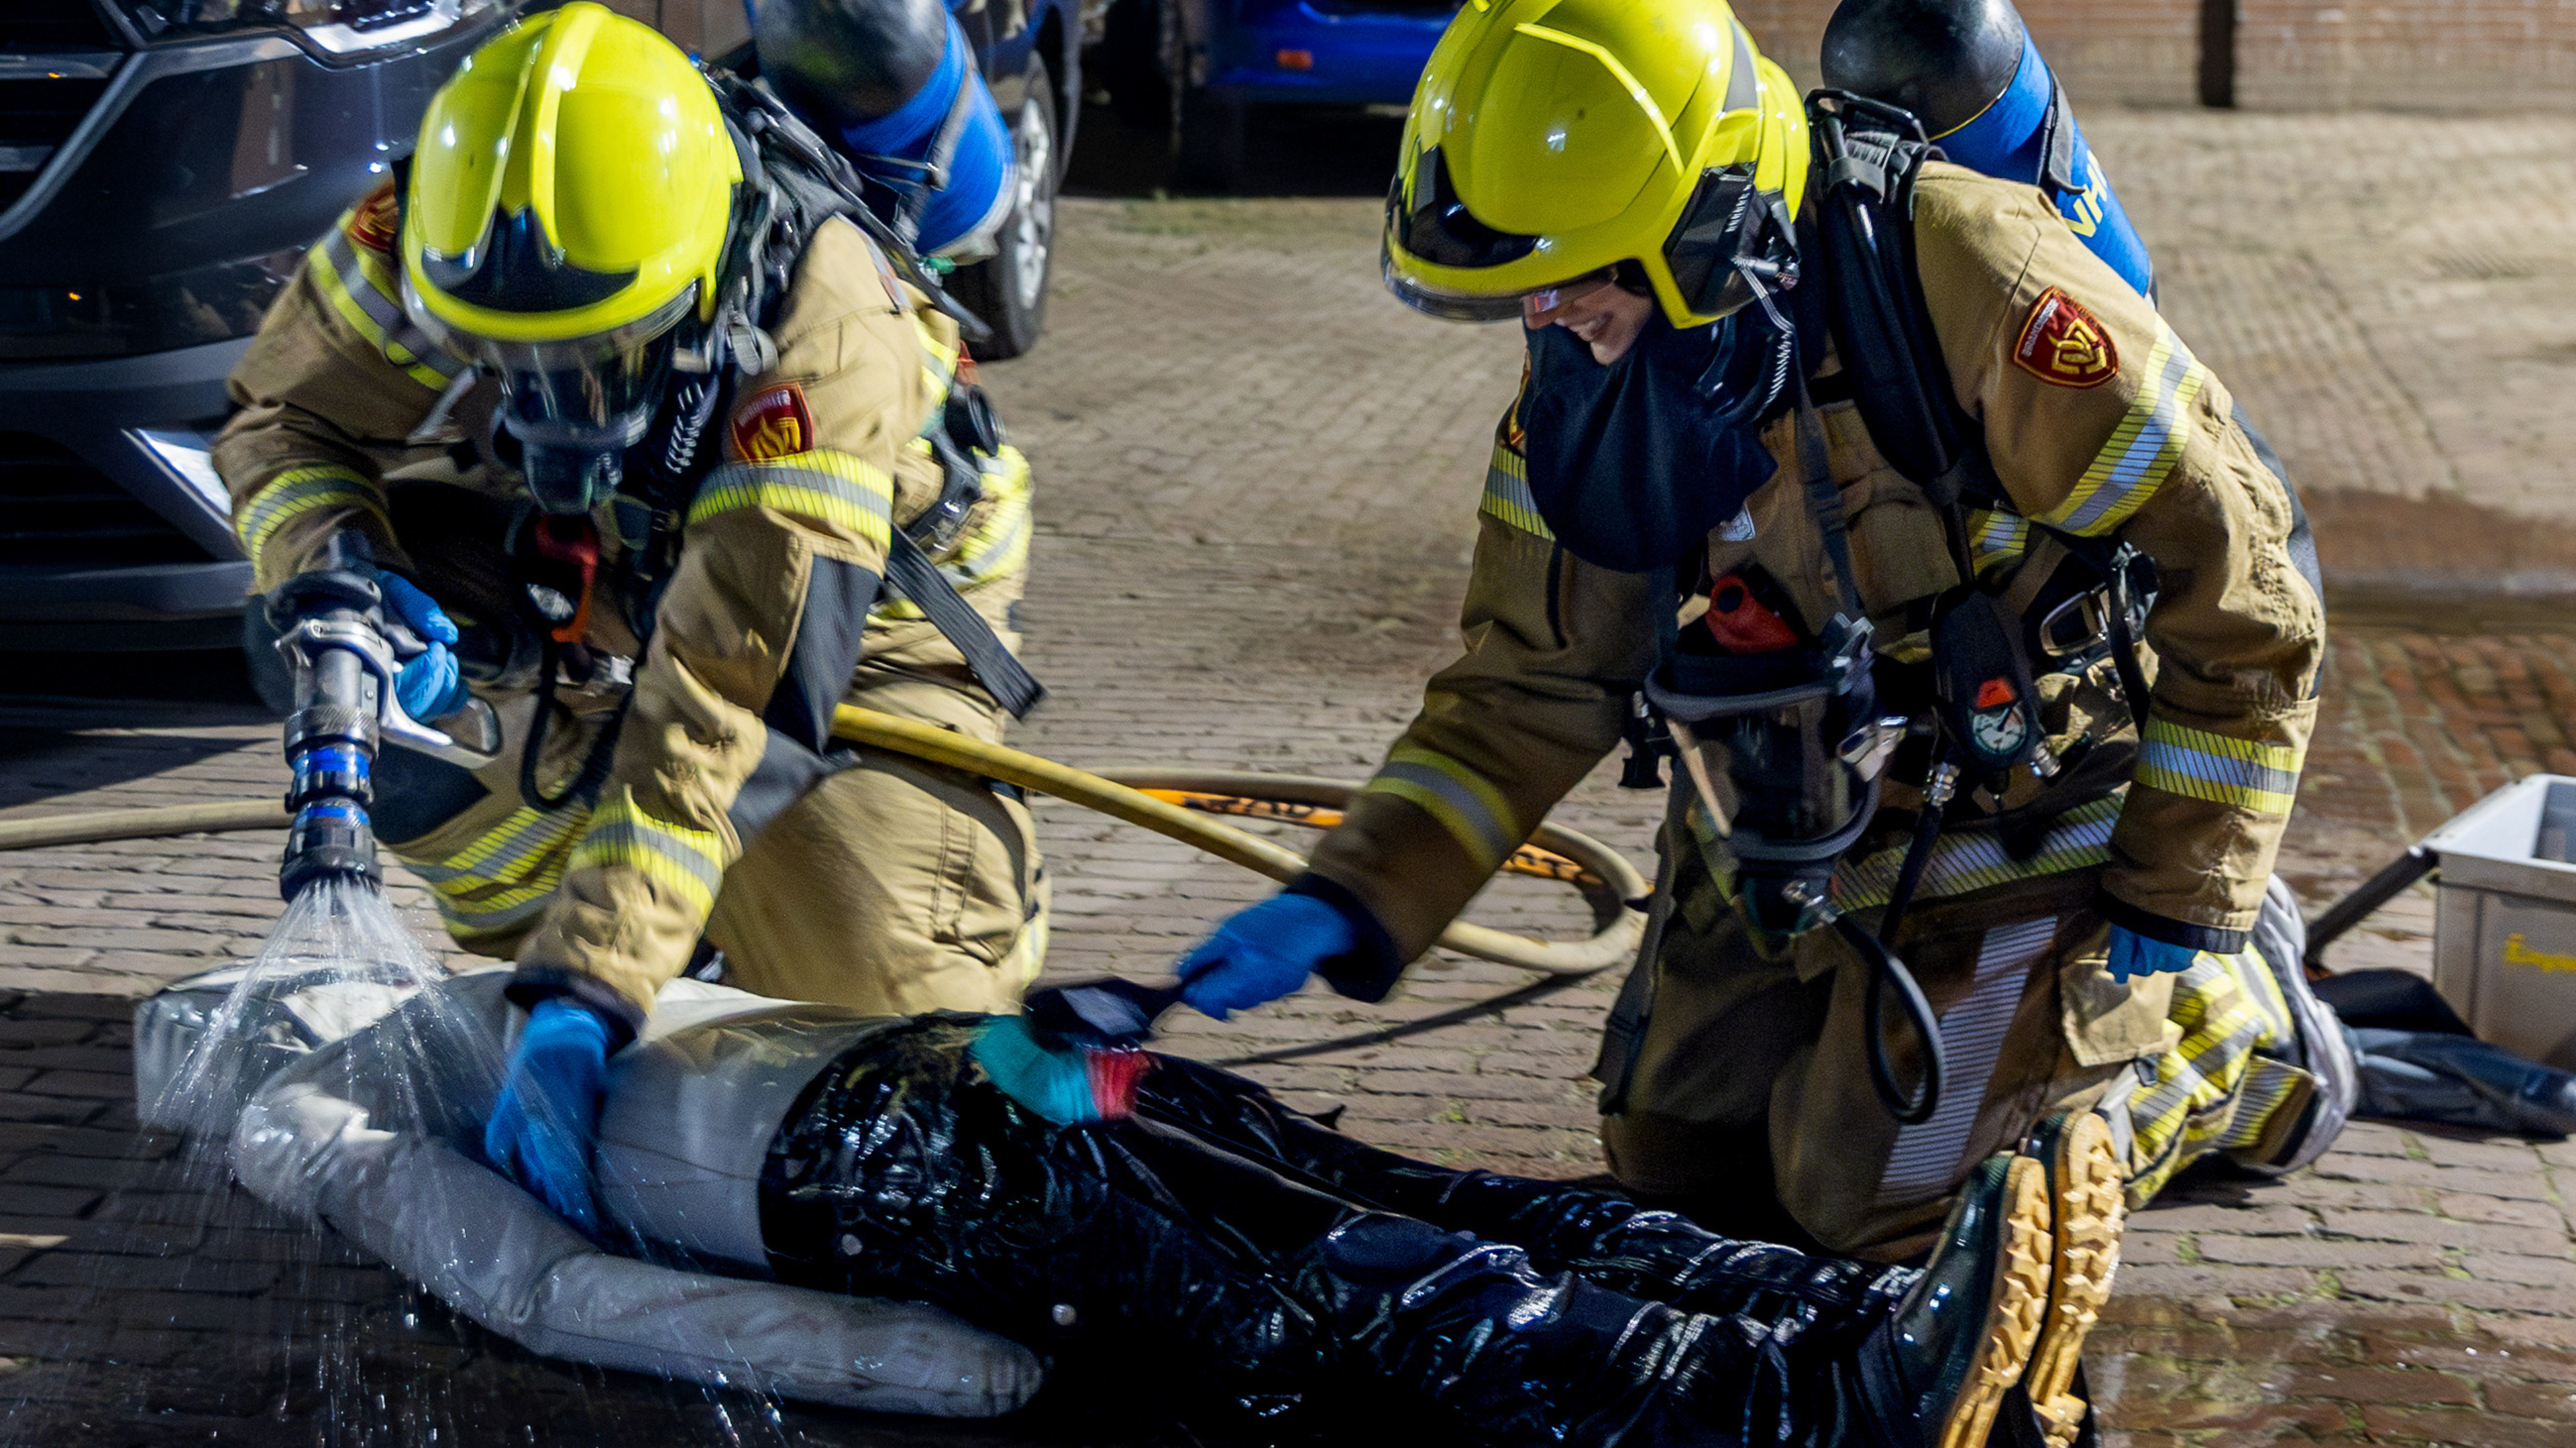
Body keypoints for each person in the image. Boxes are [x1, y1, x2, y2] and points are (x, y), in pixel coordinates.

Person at [1173, 0, 2345, 1333]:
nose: (1544, 316)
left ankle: (2217, 1041)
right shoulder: (1592, 369)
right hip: (1788, 814)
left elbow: (2247, 577)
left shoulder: (1974, 279)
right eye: (1526, 290)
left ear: (1701, 227)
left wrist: (2184, 883)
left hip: (2024, 814)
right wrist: (1354, 895)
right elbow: (1530, 685)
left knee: (1875, 1214)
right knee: (1675, 1167)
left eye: (1573, 278)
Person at [215, 5, 1045, 1231]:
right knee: (312, 646)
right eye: (510, 356)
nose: (555, 401)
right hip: (615, 554)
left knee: (885, 1041)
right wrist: (343, 572)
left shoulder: (823, 333)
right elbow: (285, 420)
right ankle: (560, 928)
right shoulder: (440, 219)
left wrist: (589, 993)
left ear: (698, 278)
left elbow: (726, 699)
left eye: (599, 351)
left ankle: (923, 886)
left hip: (865, 615)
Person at [210, 967, 2125, 1448]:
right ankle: (1823, 1396)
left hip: (960, 1085)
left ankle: (1848, 1327)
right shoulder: (324, 1121)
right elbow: (548, 1294)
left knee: (1380, 1197)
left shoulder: (489, 987)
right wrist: (919, 1365)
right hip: (881, 1179)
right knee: (1342, 1277)